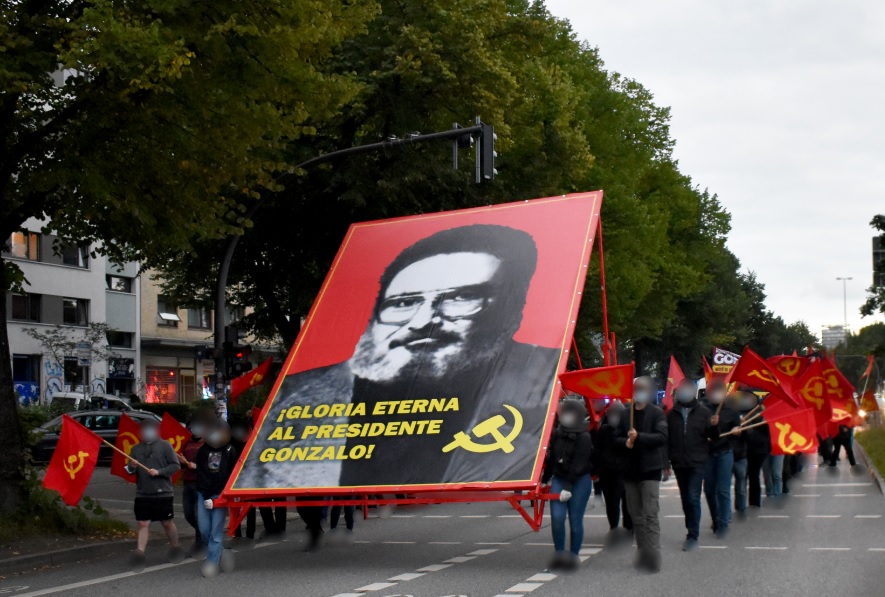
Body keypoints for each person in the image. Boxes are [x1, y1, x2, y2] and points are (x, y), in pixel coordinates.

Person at [235, 225, 561, 490]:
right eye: (403, 304)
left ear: (510, 311)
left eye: (461, 298)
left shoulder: (542, 380)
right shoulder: (300, 394)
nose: (421, 323)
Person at [617, 376, 667, 573]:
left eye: (643, 389)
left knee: (650, 514)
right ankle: (642, 553)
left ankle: (653, 555)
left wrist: (640, 438)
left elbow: (662, 437)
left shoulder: (656, 414)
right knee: (636, 516)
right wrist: (625, 443)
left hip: (650, 470)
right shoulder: (624, 414)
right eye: (636, 388)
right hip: (630, 471)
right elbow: (615, 438)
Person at [542, 396, 594, 570]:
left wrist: (568, 488)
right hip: (559, 478)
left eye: (570, 413)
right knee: (557, 518)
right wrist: (543, 479)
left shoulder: (584, 437)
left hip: (579, 481)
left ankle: (573, 556)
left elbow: (579, 465)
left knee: (574, 519)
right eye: (565, 412)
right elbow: (551, 458)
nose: (566, 416)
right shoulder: (558, 433)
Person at [125, 418, 182, 569]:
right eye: (144, 429)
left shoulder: (165, 446)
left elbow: (175, 465)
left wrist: (160, 472)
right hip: (143, 493)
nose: (146, 431)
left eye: (150, 428)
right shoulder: (136, 449)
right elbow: (129, 471)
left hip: (163, 492)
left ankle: (175, 547)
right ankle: (139, 553)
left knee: (167, 523)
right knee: (143, 523)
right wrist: (131, 466)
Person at [666, 379, 714, 551]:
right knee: (686, 498)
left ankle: (692, 535)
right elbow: (667, 439)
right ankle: (690, 527)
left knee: (693, 497)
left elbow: (713, 436)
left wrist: (714, 426)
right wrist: (667, 461)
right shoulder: (672, 414)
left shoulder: (704, 412)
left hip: (697, 461)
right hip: (679, 461)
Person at [196, 421, 239, 577]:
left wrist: (226, 494)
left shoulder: (230, 450)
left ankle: (212, 562)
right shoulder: (202, 452)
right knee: (204, 529)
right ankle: (221, 551)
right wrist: (206, 496)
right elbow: (200, 474)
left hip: (220, 496)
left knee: (216, 530)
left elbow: (233, 472)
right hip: (204, 494)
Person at [701, 379, 740, 538]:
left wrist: (737, 430)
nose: (717, 393)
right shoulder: (703, 410)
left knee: (723, 489)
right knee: (709, 489)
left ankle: (723, 523)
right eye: (714, 390)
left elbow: (738, 433)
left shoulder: (731, 410)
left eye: (720, 390)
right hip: (708, 454)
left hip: (725, 452)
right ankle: (716, 519)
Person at [593, 401, 632, 535]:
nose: (613, 417)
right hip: (607, 472)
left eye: (616, 414)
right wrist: (597, 471)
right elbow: (597, 450)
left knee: (627, 502)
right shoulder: (604, 430)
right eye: (611, 414)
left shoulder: (629, 430)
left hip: (625, 471)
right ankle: (614, 528)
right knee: (611, 502)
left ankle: (628, 528)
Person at [179, 417, 207, 556]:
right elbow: (181, 463)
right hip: (188, 483)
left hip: (200, 484)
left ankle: (200, 543)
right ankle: (205, 534)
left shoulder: (207, 444)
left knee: (198, 514)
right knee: (188, 514)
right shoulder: (187, 443)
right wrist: (181, 462)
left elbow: (212, 465)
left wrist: (198, 467)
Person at [739, 392, 771, 508]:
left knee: (754, 475)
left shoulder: (762, 414)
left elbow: (767, 432)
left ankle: (754, 502)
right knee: (742, 477)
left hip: (758, 450)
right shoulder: (739, 413)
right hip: (742, 450)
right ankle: (741, 504)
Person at [729, 393, 749, 515]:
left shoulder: (742, 418)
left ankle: (741, 508)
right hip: (725, 455)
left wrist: (743, 429)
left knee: (741, 485)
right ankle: (724, 513)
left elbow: (748, 437)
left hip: (740, 456)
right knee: (723, 487)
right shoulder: (721, 417)